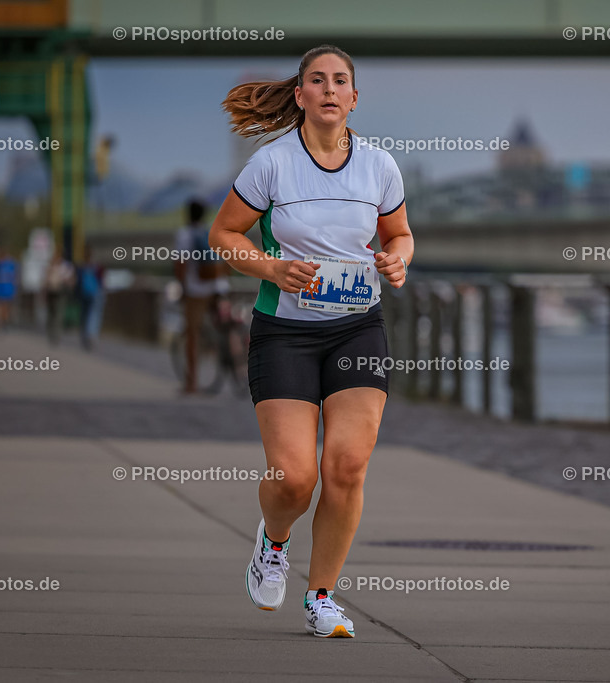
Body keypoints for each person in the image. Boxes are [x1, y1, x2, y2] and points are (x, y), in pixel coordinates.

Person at [211, 45, 413, 638]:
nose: (329, 89)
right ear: (299, 95)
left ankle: (321, 595)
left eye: (340, 81)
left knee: (346, 466)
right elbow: (224, 233)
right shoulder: (271, 165)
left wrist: (397, 261)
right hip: (286, 334)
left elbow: (399, 234)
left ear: (354, 98)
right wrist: (271, 269)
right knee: (295, 478)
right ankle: (273, 544)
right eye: (317, 81)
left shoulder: (379, 166)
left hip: (357, 327)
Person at [174, 199, 230, 393]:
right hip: (217, 287)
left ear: (187, 214)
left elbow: (181, 264)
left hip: (196, 291)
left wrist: (182, 287)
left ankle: (192, 382)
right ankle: (237, 364)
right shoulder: (211, 232)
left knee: (192, 335)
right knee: (225, 327)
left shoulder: (185, 234)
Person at [76, 246, 105, 350]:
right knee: (93, 315)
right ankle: (91, 335)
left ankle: (85, 336)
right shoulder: (96, 266)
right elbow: (102, 280)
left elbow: (77, 281)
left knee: (84, 315)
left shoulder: (82, 266)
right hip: (94, 293)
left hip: (84, 293)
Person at [44, 250, 75, 346]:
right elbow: (45, 280)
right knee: (51, 314)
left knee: (58, 315)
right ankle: (51, 334)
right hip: (51, 292)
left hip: (61, 292)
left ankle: (56, 336)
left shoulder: (65, 266)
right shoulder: (50, 266)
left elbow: (71, 280)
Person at [0, 247, 18, 331]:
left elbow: (14, 277)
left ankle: (4, 322)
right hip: (0, 287)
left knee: (5, 306)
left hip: (7, 288)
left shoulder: (10, 265)